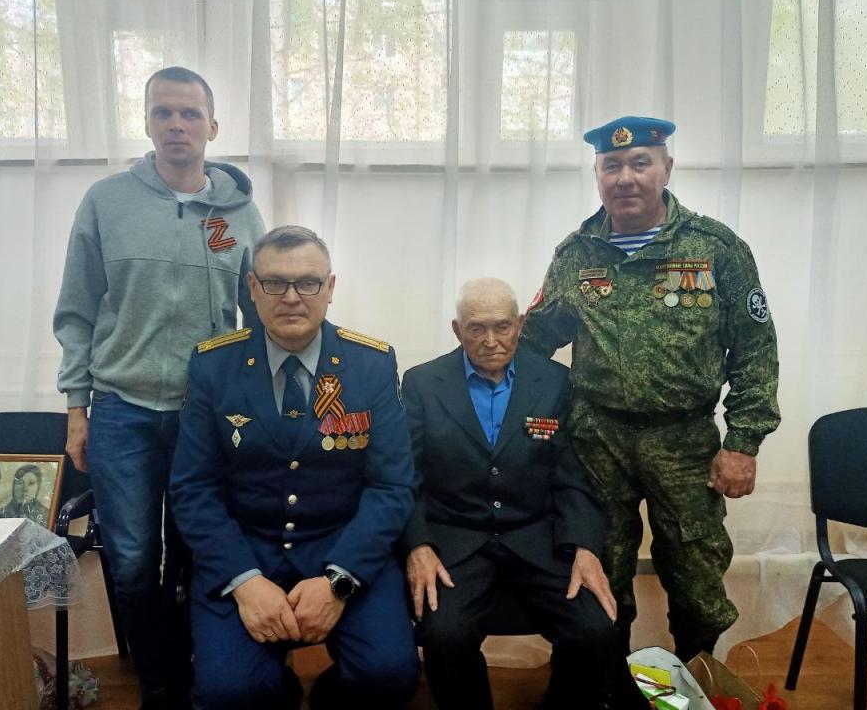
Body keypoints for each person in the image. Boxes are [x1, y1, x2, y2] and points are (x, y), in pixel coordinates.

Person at [521, 115, 780, 661]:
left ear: (667, 168)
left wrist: (743, 442)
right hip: (598, 440)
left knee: (696, 576)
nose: (626, 178)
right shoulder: (576, 254)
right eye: (611, 166)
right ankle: (606, 686)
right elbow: (534, 342)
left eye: (640, 163)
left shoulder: (716, 248)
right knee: (600, 571)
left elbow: (755, 349)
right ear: (597, 174)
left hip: (684, 442)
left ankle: (695, 678)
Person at [53, 66, 266, 709]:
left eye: (190, 114)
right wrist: (77, 407)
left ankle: (202, 674)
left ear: (212, 127)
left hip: (206, 413)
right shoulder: (106, 202)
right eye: (163, 112)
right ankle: (160, 685)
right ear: (147, 123)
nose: (177, 125)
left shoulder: (239, 213)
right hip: (123, 411)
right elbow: (77, 310)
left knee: (198, 554)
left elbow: (260, 315)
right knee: (133, 559)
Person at [170, 225, 420, 710]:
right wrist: (244, 581)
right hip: (245, 548)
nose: (290, 297)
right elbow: (193, 488)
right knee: (228, 694)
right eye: (274, 283)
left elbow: (392, 486)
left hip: (342, 544)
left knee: (389, 675)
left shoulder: (370, 364)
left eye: (307, 282)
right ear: (252, 288)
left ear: (330, 288)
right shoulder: (213, 365)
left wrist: (340, 580)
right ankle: (274, 693)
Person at [401, 278, 648, 710]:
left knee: (595, 630)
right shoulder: (423, 382)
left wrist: (585, 548)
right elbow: (407, 476)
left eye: (502, 326)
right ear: (458, 330)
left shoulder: (554, 381)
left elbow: (572, 475)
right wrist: (417, 545)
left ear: (519, 325)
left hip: (538, 539)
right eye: (476, 328)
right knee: (444, 635)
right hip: (456, 540)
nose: (491, 341)